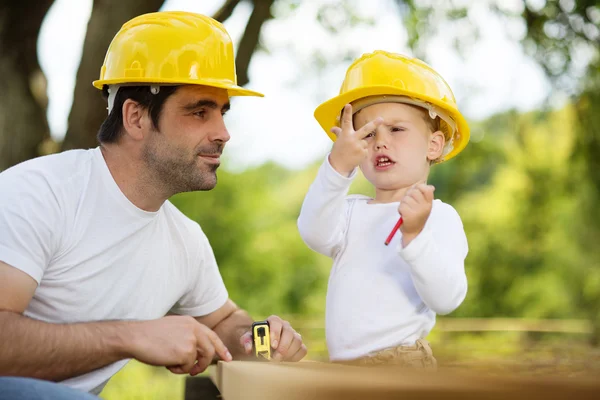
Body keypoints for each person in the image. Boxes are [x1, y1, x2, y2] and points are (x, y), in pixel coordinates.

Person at [0, 11, 306, 398]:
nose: (224, 134)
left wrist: (265, 342)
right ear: (136, 117)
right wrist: (131, 336)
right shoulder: (37, 193)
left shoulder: (184, 241)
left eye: (222, 113)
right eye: (200, 112)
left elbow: (226, 321)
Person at [297, 50, 470, 368]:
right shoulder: (348, 212)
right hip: (346, 369)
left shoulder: (438, 217)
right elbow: (313, 232)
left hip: (400, 365)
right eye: (368, 134)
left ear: (433, 145)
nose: (380, 142)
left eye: (396, 130)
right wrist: (337, 166)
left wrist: (415, 236)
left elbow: (447, 299)